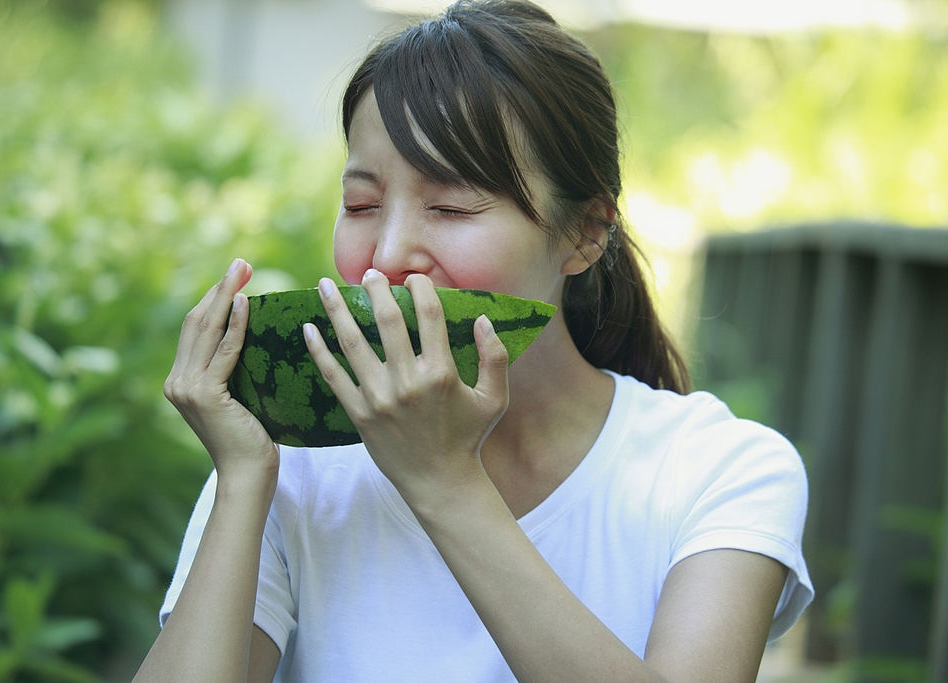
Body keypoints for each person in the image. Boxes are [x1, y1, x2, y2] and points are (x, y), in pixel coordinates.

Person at [134, 0, 813, 680]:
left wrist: (444, 479)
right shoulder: (296, 472)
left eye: (452, 207)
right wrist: (244, 477)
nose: (389, 255)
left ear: (585, 232)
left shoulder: (720, 473)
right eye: (363, 205)